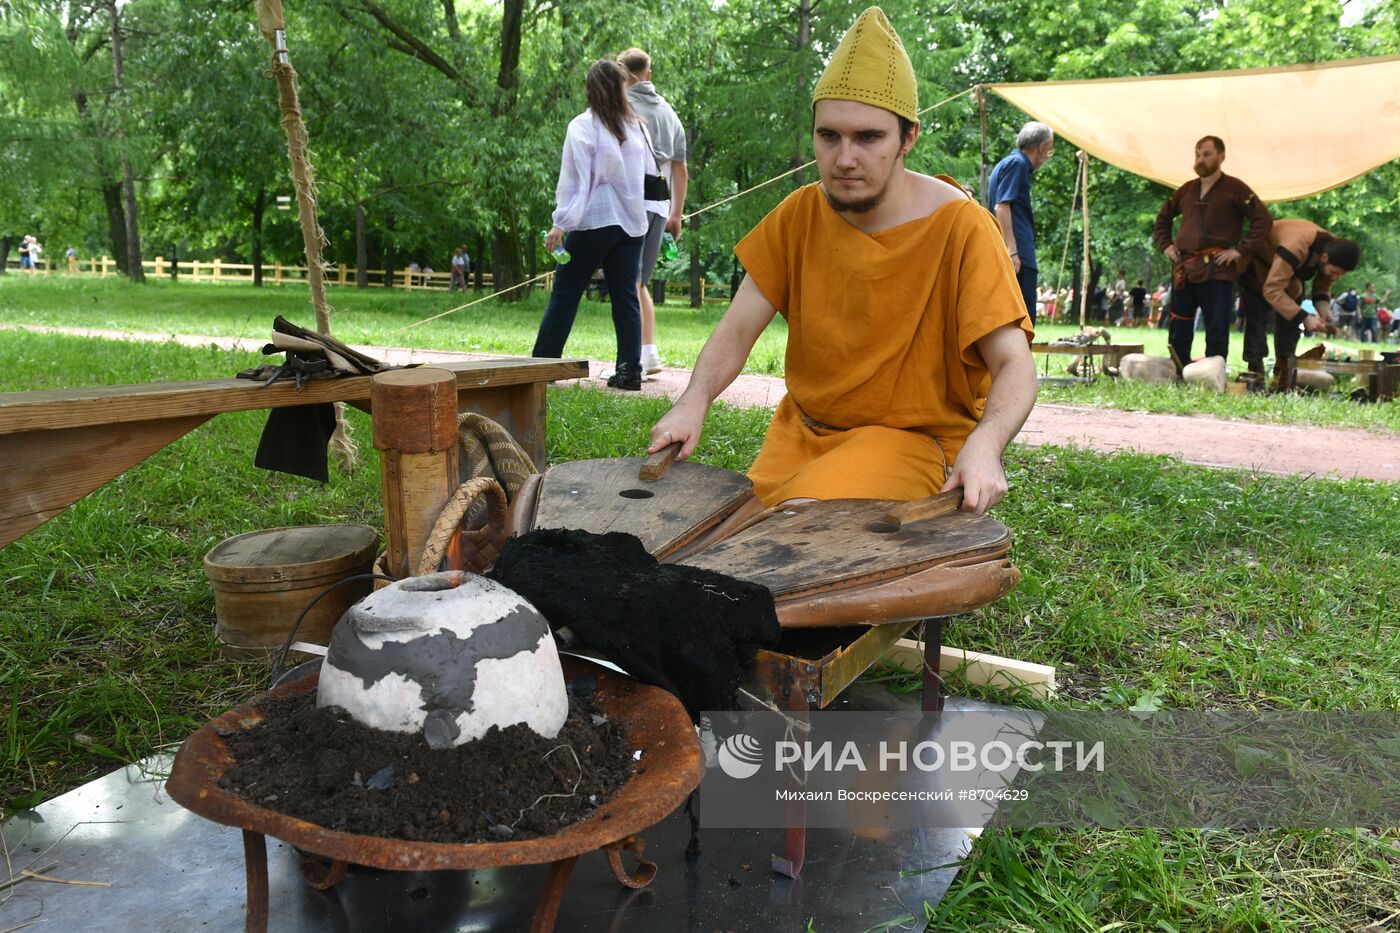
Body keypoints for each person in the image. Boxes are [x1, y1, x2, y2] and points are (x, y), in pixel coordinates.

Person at [648, 6, 1036, 515]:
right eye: (828, 136)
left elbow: (1015, 364)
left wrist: (986, 444)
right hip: (801, 436)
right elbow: (738, 328)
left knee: (798, 525)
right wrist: (694, 400)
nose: (844, 158)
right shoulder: (800, 214)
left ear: (908, 138)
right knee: (728, 529)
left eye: (868, 137)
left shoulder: (962, 226)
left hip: (914, 442)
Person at [532, 59, 651, 390]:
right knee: (625, 297)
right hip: (630, 226)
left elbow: (579, 182)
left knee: (566, 293)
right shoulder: (636, 127)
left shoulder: (582, 126)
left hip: (593, 222)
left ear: (590, 87)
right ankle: (629, 372)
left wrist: (561, 223)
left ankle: (543, 367)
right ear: (622, 87)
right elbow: (640, 180)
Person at [1153, 136, 1272, 371]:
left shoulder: (1236, 189)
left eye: (1207, 154)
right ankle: (1178, 370)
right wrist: (1166, 245)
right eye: (1198, 154)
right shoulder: (1186, 190)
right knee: (1180, 325)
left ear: (1221, 156)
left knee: (1217, 327)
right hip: (1184, 268)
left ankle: (1212, 374)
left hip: (1218, 269)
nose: (1200, 159)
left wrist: (1239, 250)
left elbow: (1263, 220)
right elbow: (1162, 219)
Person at [619, 47, 688, 377]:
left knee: (628, 280)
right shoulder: (669, 113)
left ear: (623, 73)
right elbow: (680, 168)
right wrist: (676, 214)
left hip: (629, 203)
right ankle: (649, 351)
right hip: (660, 205)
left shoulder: (620, 107)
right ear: (648, 74)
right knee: (639, 282)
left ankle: (635, 357)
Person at [1239, 219, 1360, 392]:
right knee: (1257, 323)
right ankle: (1255, 376)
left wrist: (1324, 310)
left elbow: (1322, 285)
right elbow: (1272, 289)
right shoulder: (1296, 246)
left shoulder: (1333, 250)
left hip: (1289, 280)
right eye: (1334, 273)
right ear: (1325, 258)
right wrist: (1305, 317)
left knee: (1290, 327)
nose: (1335, 278)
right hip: (1257, 271)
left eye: (1339, 275)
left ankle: (1283, 379)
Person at [985, 121, 1054, 324]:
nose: (1047, 156)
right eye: (1049, 150)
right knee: (1023, 317)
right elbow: (1002, 206)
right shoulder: (1017, 164)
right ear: (1042, 146)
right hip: (1018, 256)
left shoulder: (1010, 164)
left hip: (1014, 253)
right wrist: (1012, 250)